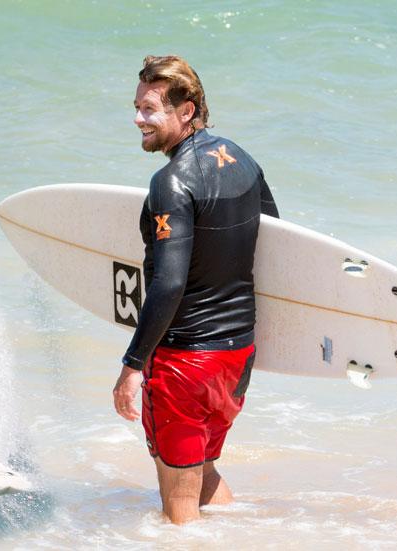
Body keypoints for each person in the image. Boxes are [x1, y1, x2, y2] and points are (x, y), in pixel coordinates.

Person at [112, 55, 279, 524]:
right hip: (237, 356)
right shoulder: (241, 158)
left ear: (186, 111)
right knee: (202, 473)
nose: (137, 119)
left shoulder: (170, 182)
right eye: (137, 107)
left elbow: (167, 283)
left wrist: (131, 365)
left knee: (178, 512)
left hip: (187, 362)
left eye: (149, 109)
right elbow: (277, 238)